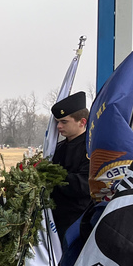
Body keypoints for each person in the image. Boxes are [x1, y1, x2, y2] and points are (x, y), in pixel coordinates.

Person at [49, 92, 90, 239]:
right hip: (55, 221)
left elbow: (85, 185)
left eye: (64, 122)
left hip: (78, 222)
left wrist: (53, 177)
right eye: (57, 122)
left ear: (82, 122)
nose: (59, 126)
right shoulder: (58, 148)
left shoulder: (91, 149)